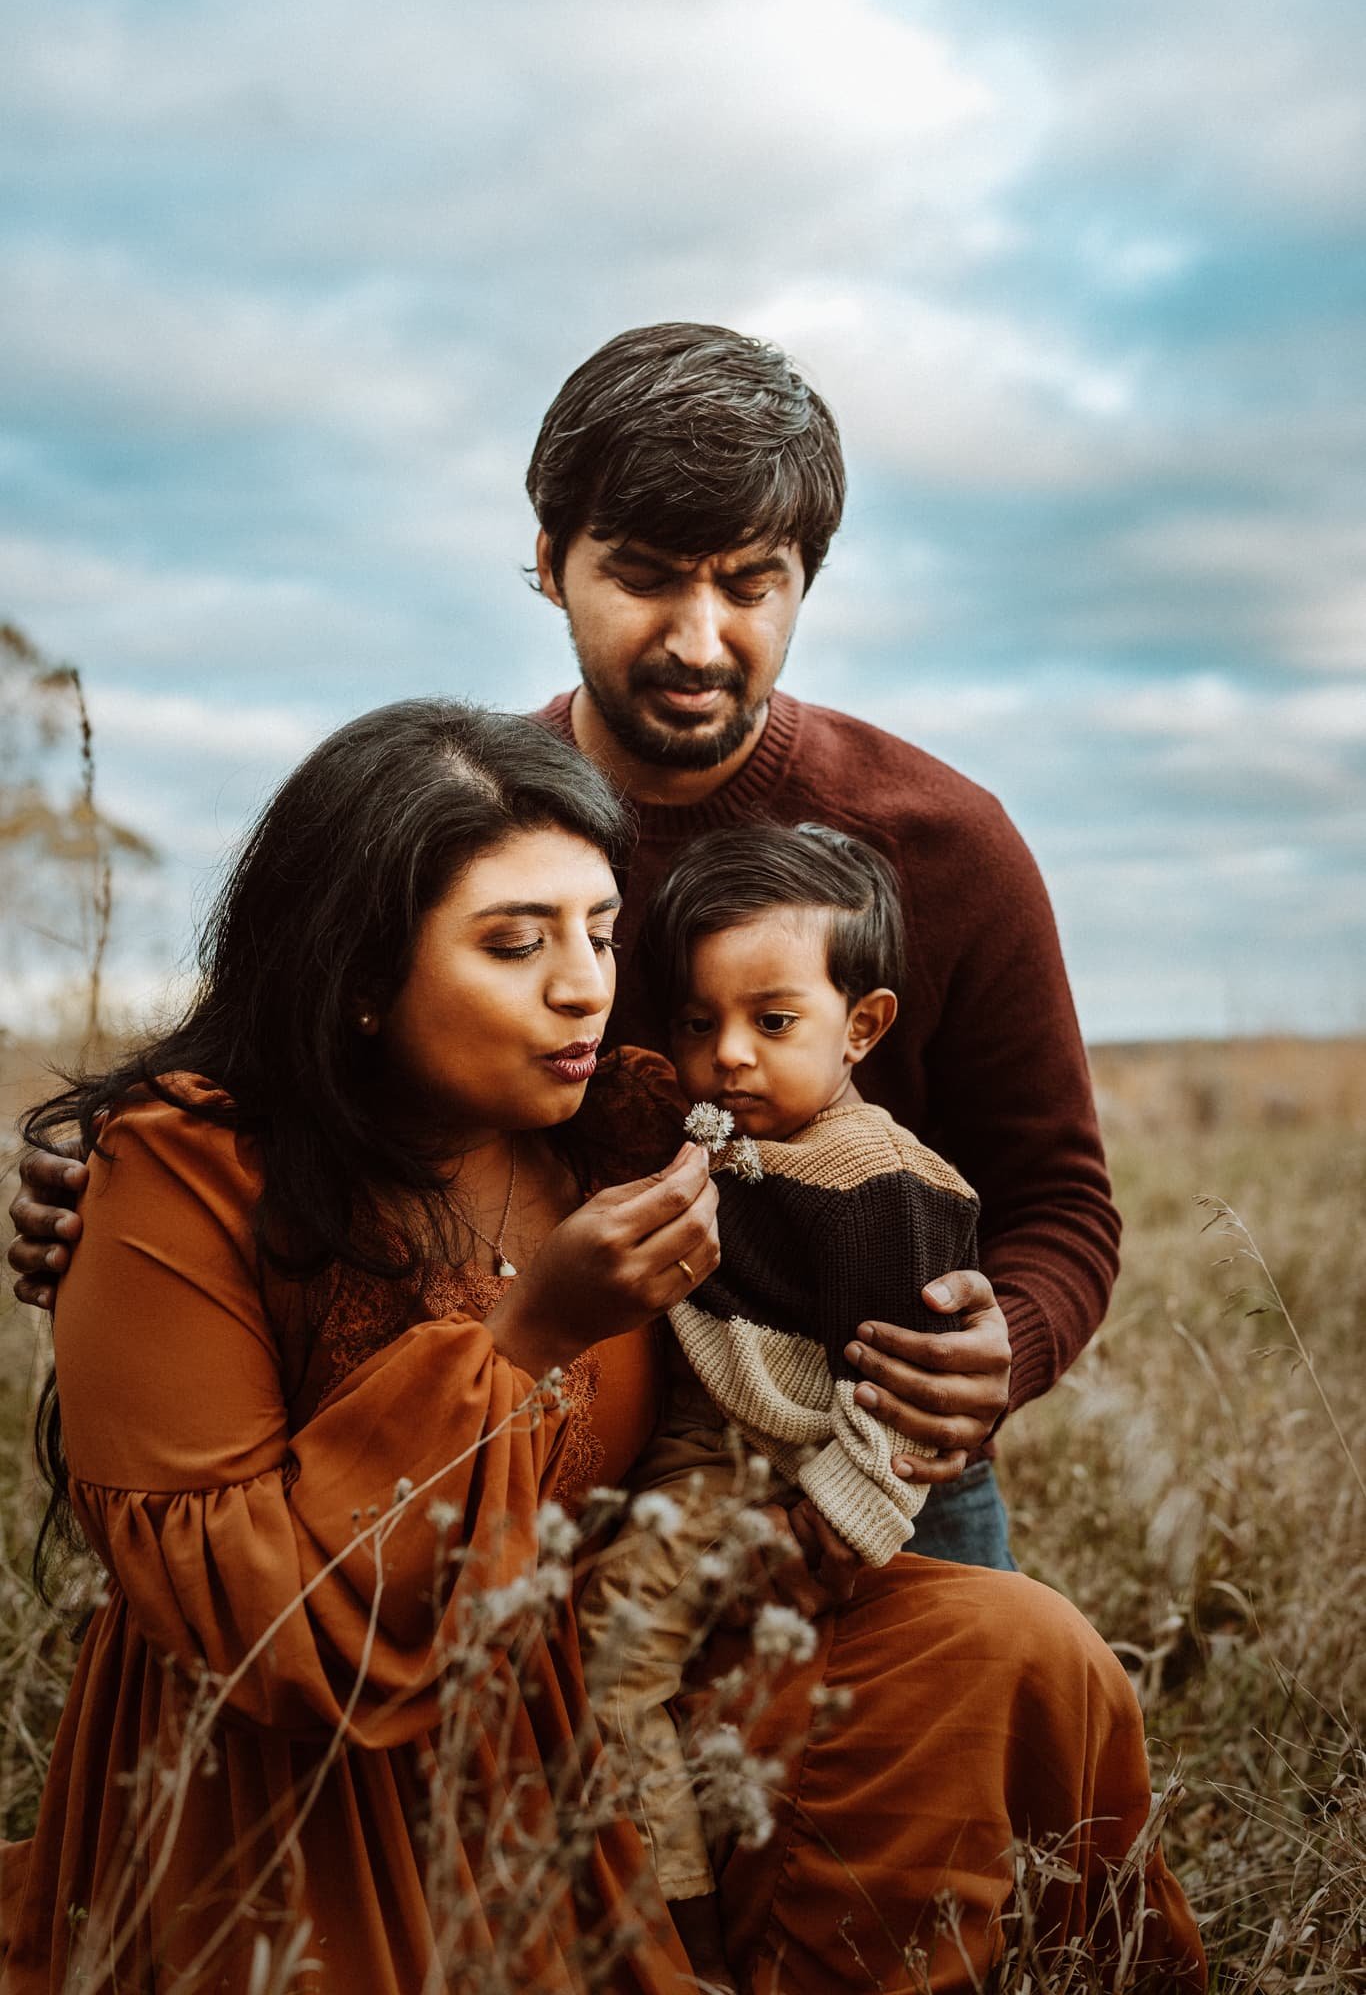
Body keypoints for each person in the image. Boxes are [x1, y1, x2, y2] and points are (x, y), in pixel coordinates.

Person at [0, 699, 1207, 1992]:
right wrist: (527, 1336)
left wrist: (967, 1330)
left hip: (607, 1672)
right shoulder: (187, 1167)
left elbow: (903, 1153)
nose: (585, 983)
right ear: (356, 977)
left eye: (597, 931)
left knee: (1008, 1643)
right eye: (515, 945)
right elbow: (254, 1631)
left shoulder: (611, 1124)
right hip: (336, 1763)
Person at [14, 321, 1119, 1571]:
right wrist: (124, 1201)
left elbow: (1062, 1198)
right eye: (645, 575)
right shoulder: (455, 826)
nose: (701, 638)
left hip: (880, 1464)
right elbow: (285, 1086)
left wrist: (1001, 1347)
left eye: (751, 583)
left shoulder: (945, 845)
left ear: (807, 577)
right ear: (549, 559)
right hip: (548, 1456)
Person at [576, 821, 982, 1992]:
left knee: (615, 1659)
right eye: (699, 1023)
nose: (729, 1057)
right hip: (690, 1452)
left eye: (774, 1021)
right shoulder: (731, 1143)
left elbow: (904, 1388)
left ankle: (680, 1944)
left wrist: (824, 1533)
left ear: (863, 1027)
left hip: (773, 1471)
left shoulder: (875, 1182)